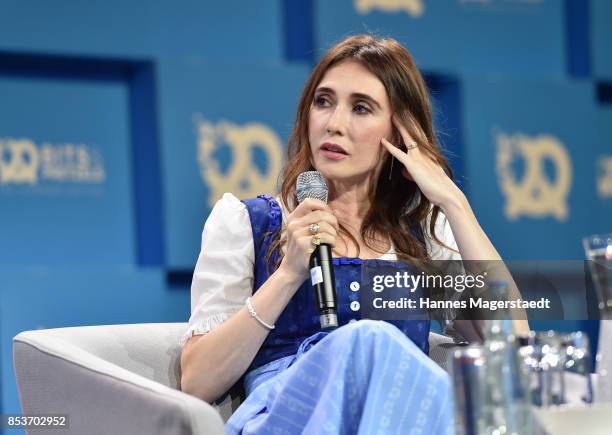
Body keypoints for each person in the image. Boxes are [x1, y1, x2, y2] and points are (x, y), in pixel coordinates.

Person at [180, 34, 529, 434]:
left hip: (395, 417)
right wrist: (289, 273)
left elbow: (512, 343)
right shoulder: (248, 221)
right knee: (369, 342)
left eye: (361, 108)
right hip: (287, 415)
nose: (334, 124)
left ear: (399, 133)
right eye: (323, 101)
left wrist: (454, 205)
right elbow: (197, 381)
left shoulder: (421, 237)